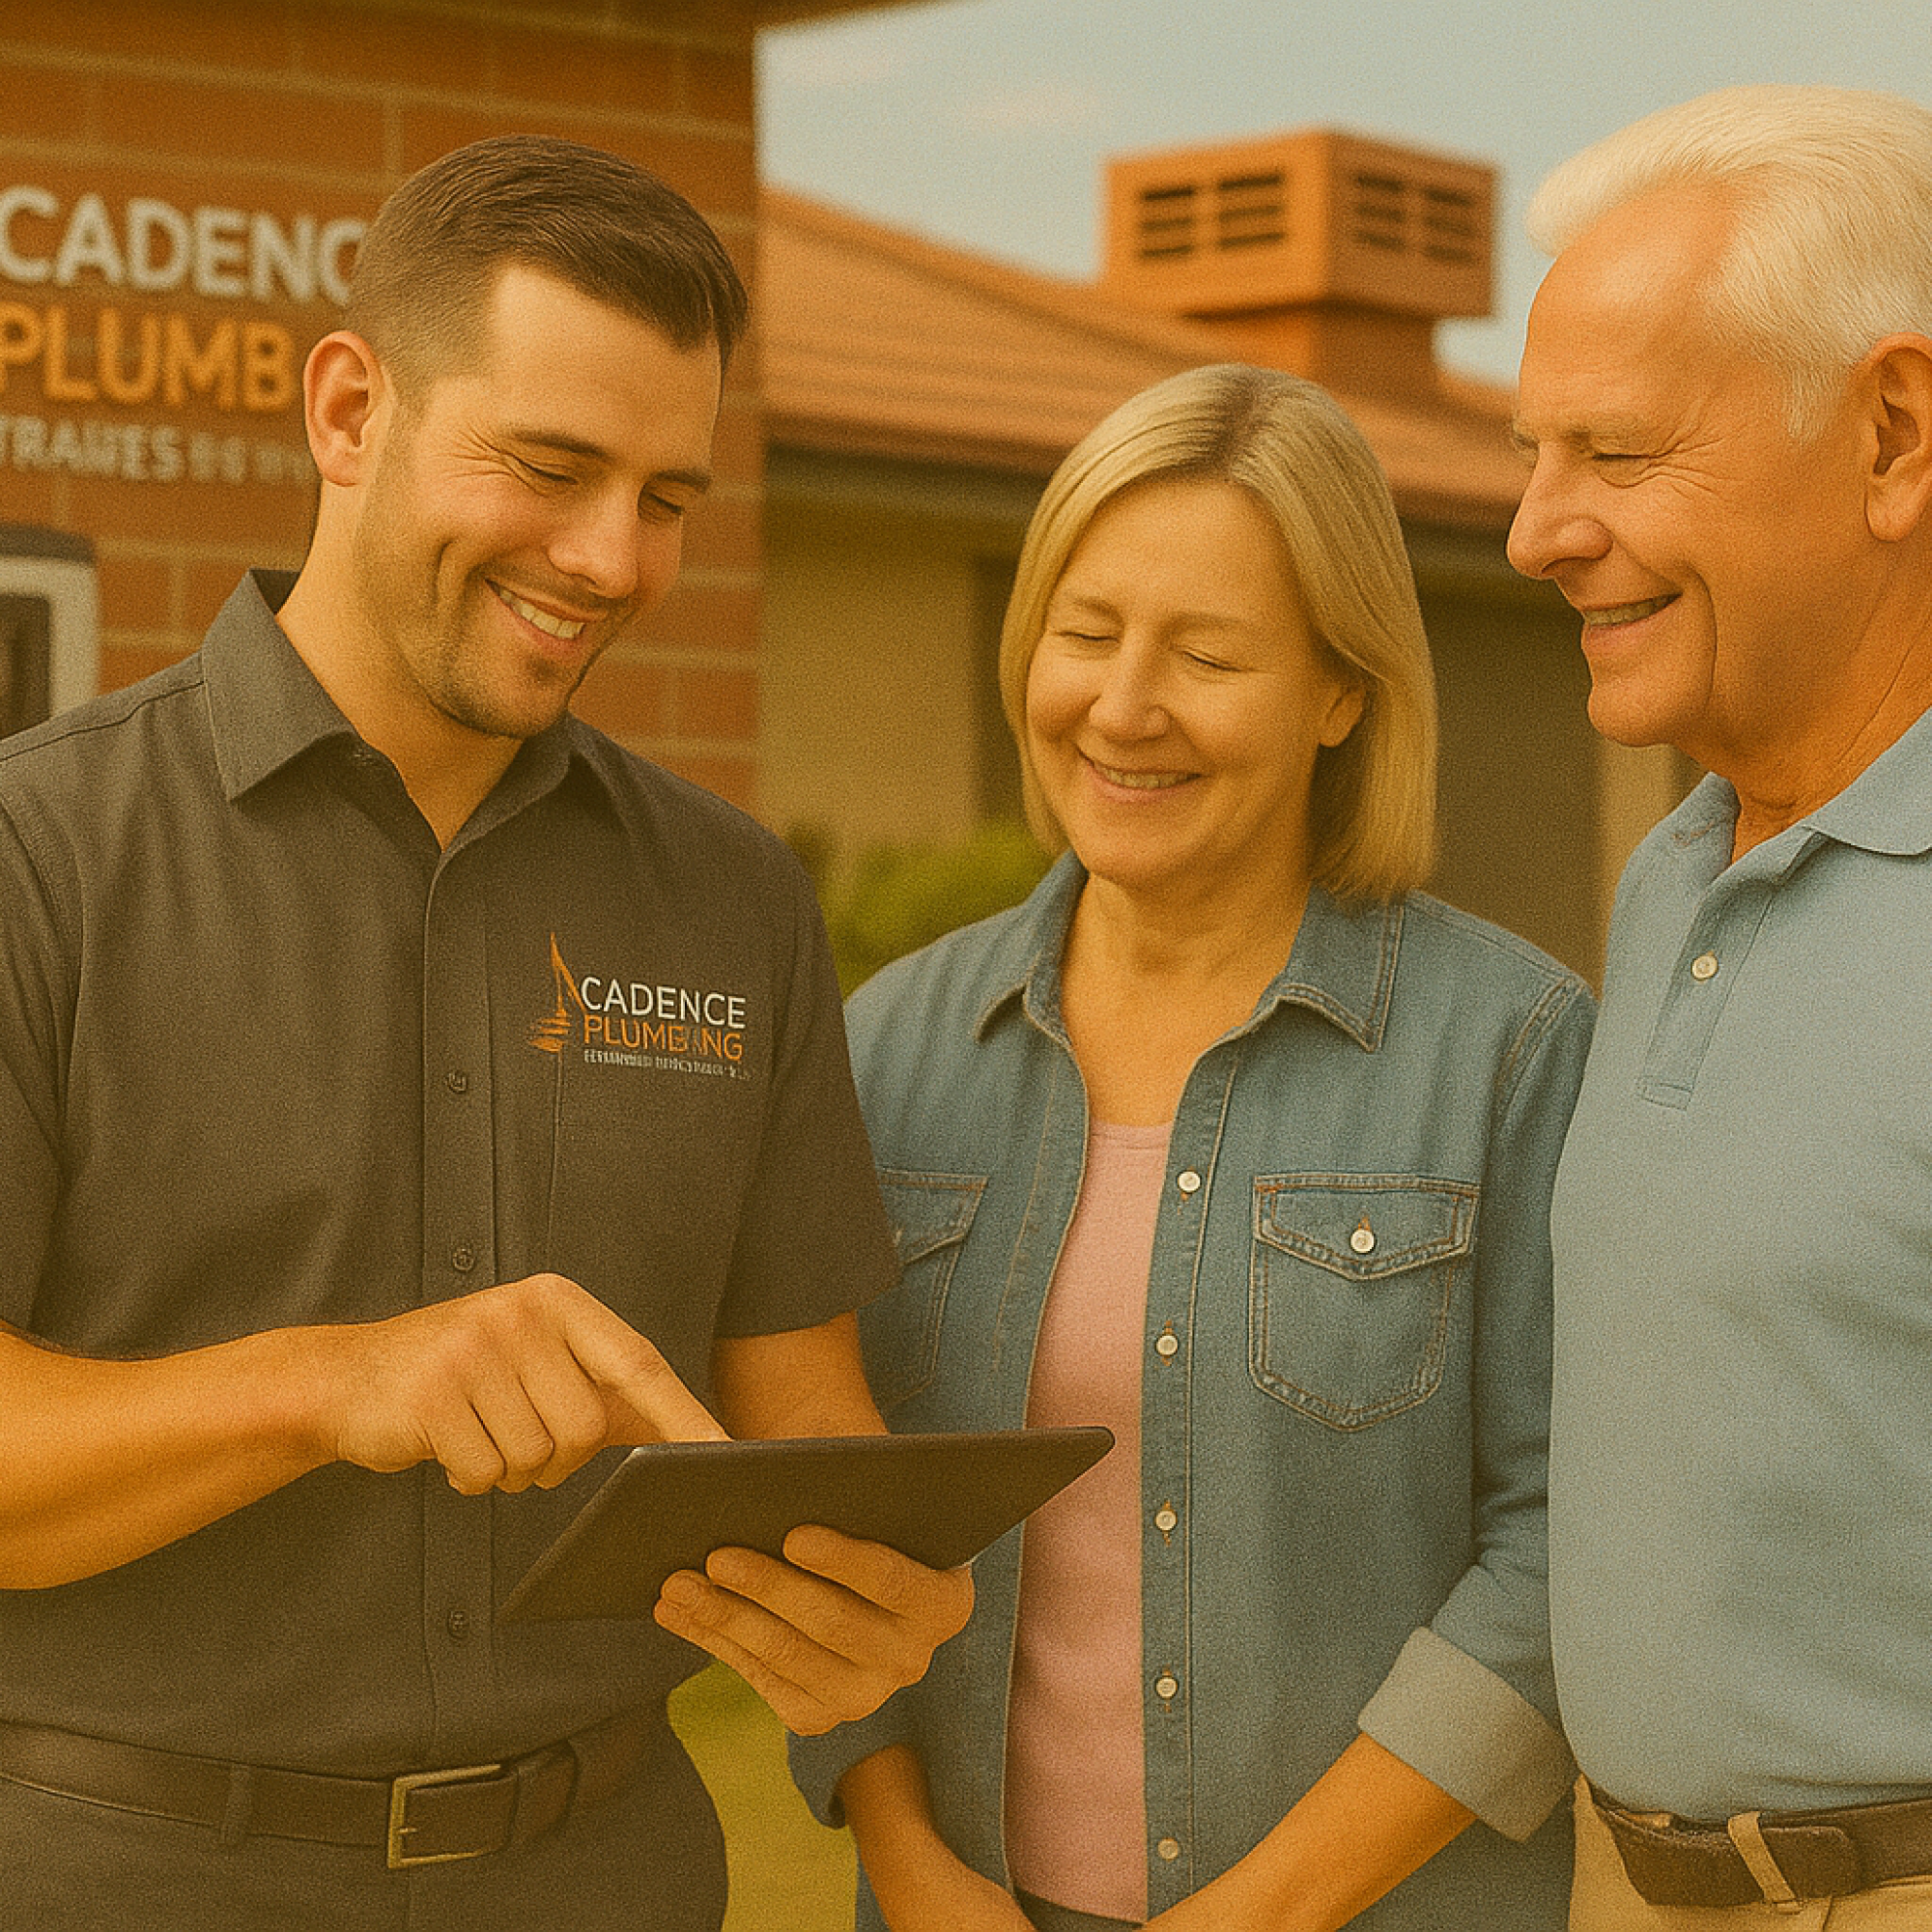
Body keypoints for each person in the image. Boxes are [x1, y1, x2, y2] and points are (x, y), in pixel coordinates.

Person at [0, 135, 971, 1930]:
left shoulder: (734, 900)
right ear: (348, 409)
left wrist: (866, 1590)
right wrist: (337, 1383)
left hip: (611, 1877)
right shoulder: (38, 857)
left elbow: (797, 1421)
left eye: (666, 498)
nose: (611, 559)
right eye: (549, 467)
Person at [789, 363, 1595, 1932]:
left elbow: (1563, 1552)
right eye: (1086, 633)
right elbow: (816, 1517)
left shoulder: (1511, 1050)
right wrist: (909, 1865)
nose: (1124, 705)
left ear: (1342, 692)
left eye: (1208, 655)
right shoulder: (887, 1049)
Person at [1506, 85, 1932, 1931]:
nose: (1534, 531)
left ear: (1893, 436)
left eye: (1614, 449)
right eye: (1535, 454)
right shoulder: (1674, 875)